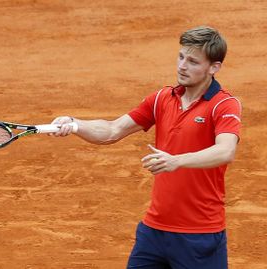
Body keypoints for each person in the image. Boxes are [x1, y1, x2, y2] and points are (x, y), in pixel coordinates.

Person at [50, 26, 241, 269]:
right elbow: (111, 131)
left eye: (193, 61)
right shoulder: (162, 99)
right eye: (181, 57)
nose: (182, 66)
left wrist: (177, 161)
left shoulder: (224, 105)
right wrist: (76, 125)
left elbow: (226, 151)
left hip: (199, 235)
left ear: (214, 67)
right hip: (154, 232)